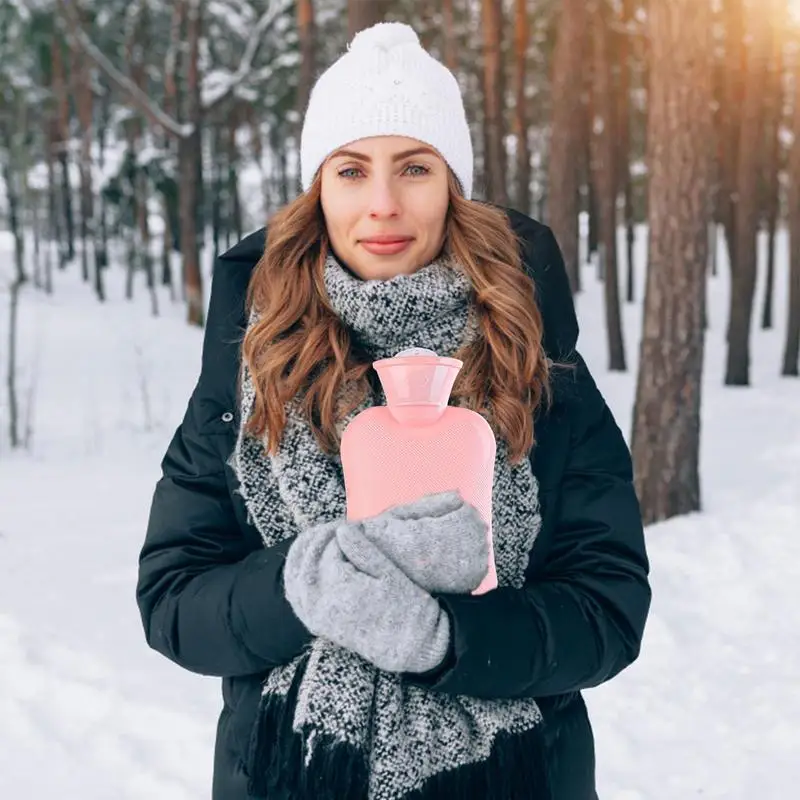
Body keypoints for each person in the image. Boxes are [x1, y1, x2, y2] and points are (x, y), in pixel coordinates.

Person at [136, 21, 651, 800]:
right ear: (319, 189)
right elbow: (174, 596)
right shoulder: (254, 369)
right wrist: (298, 590)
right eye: (351, 171)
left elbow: (606, 607)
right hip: (292, 774)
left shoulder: (538, 365)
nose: (382, 204)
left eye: (414, 167)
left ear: (452, 184)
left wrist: (449, 640)